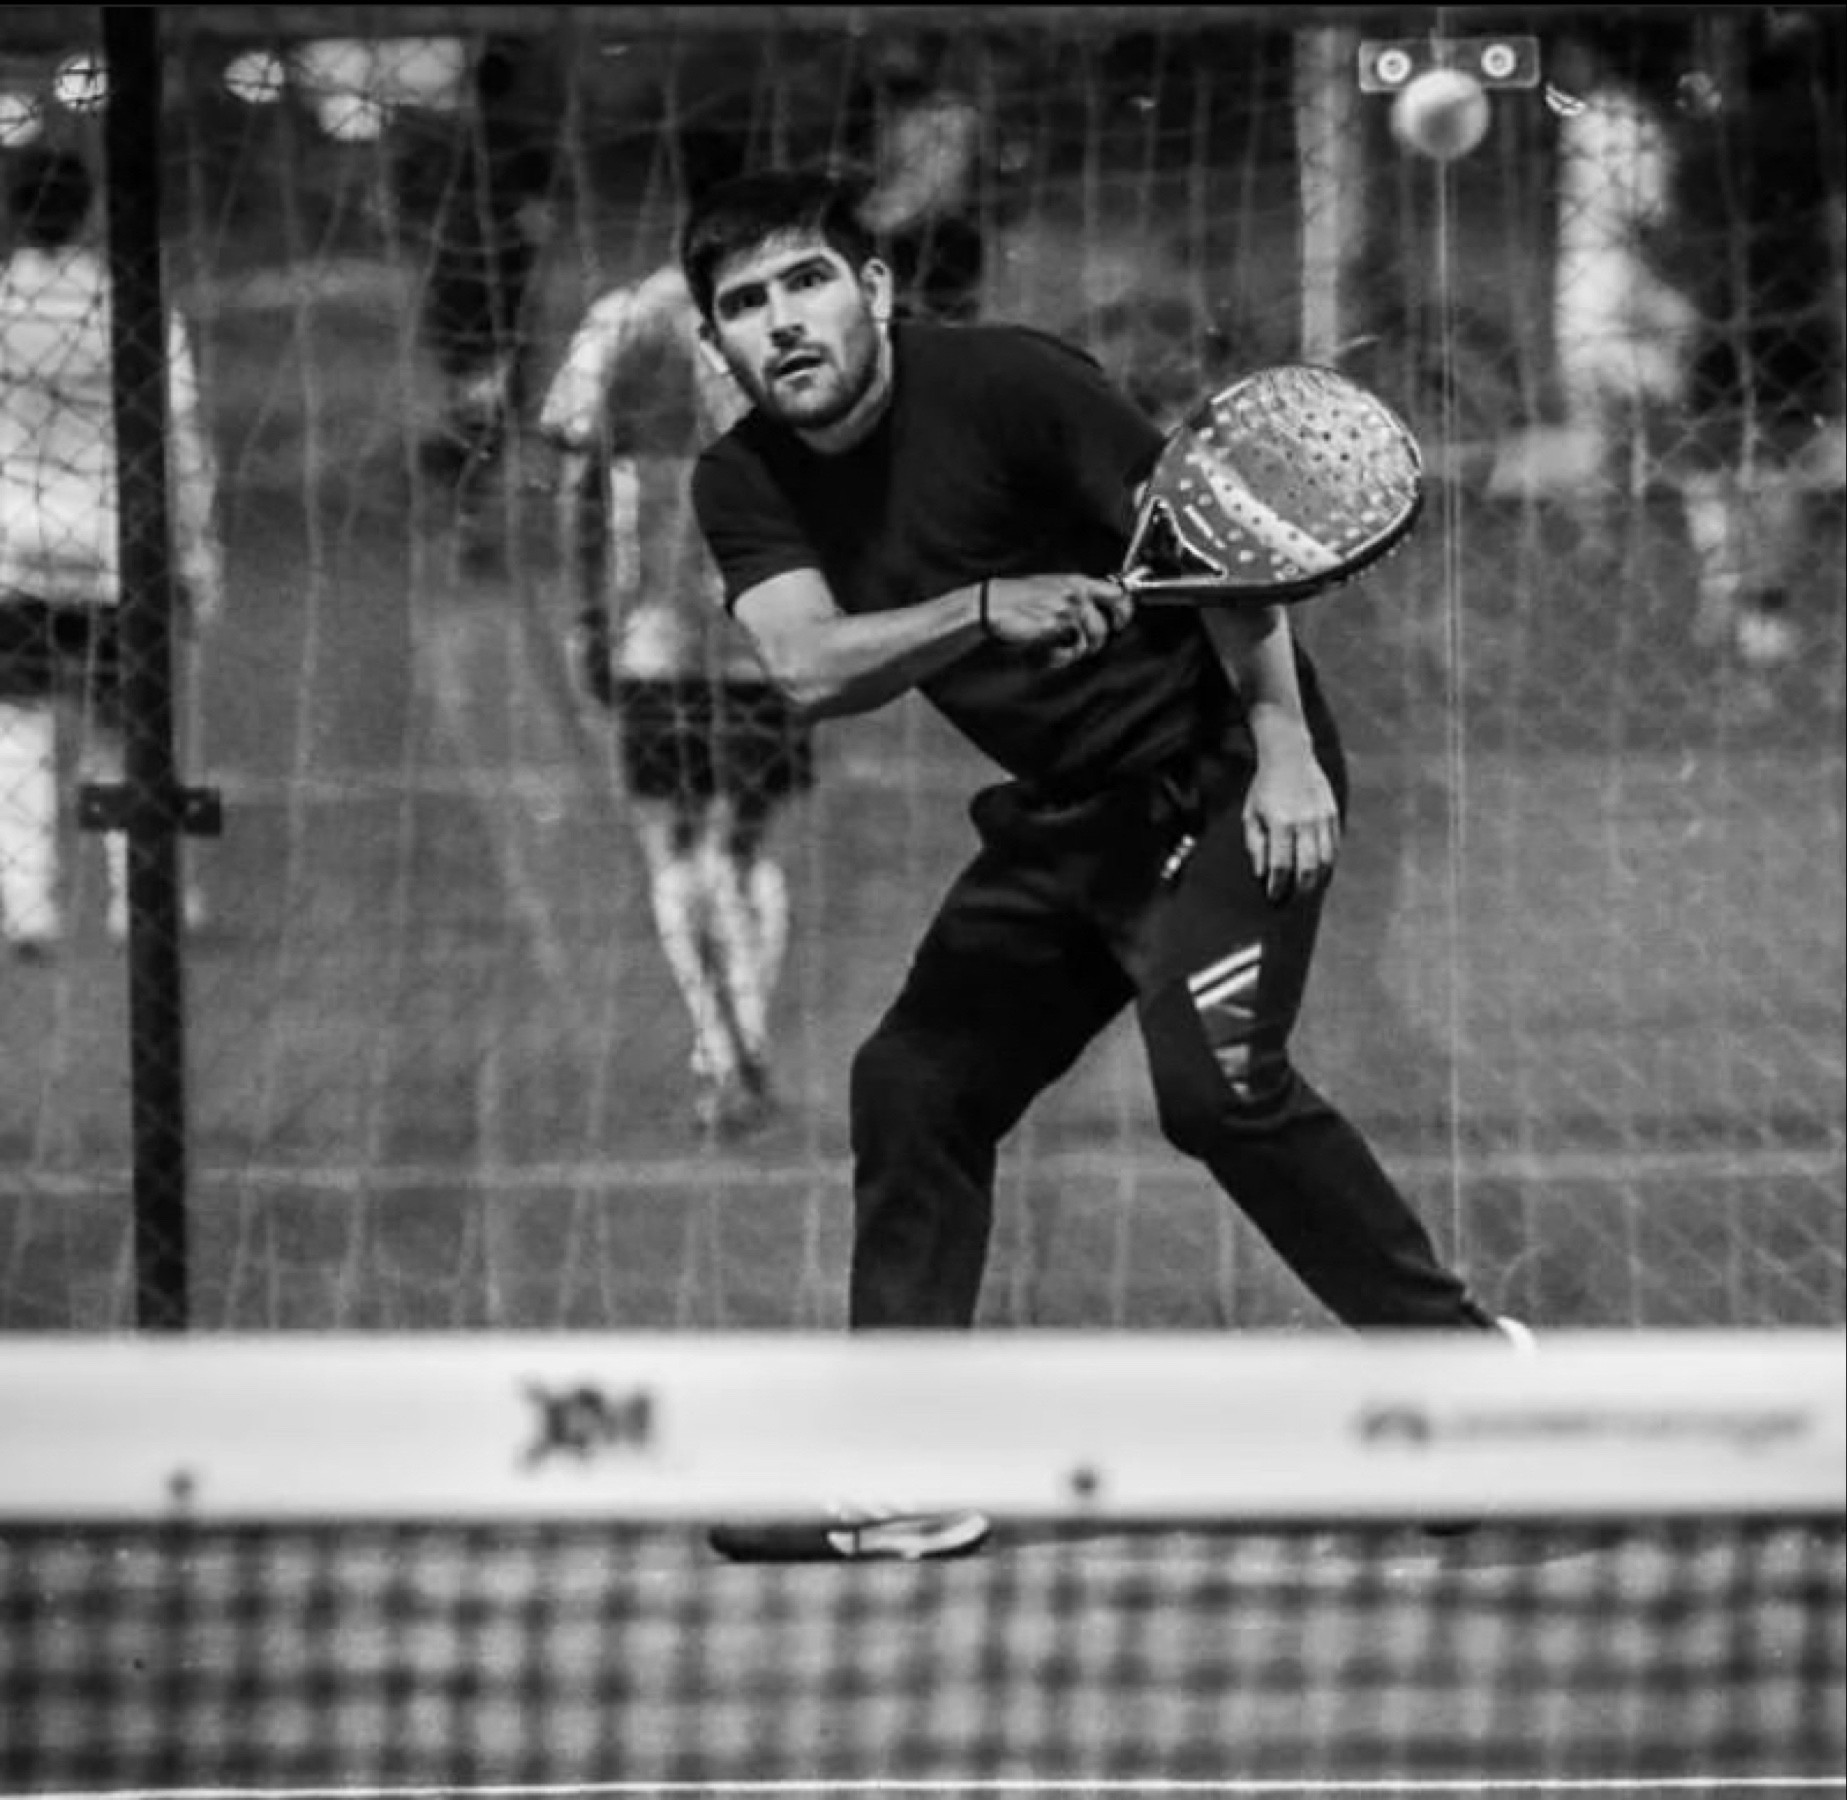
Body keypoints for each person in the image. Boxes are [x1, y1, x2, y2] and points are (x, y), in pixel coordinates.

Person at [682, 169, 1528, 1562]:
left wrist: (1283, 748)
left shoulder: (1012, 385)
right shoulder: (742, 480)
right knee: (913, 1082)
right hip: (1068, 817)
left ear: (873, 289)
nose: (780, 322)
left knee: (1216, 1092)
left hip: (1218, 774)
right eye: (742, 303)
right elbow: (807, 666)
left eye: (807, 282)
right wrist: (980, 607)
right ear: (716, 337)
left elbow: (1227, 538)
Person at [538, 262, 815, 1138]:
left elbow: (578, 482)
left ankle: (717, 1045)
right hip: (770, 626)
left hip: (651, 629)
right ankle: (742, 1040)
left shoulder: (622, 320)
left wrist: (586, 620)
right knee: (744, 841)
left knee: (676, 837)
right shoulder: (804, 316)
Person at [0, 146, 222, 961]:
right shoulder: (130, 305)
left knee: (18, 726)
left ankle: (28, 906)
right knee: (123, 730)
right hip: (115, 549)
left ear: (12, 213)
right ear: (90, 211)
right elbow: (180, 438)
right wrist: (195, 549)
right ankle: (142, 897)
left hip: (14, 549)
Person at [398, 36, 556, 562]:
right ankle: (457, 504)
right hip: (495, 298)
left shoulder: (444, 140)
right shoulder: (519, 145)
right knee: (494, 413)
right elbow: (538, 220)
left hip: (453, 292)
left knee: (483, 407)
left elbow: (406, 201)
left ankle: (454, 492)